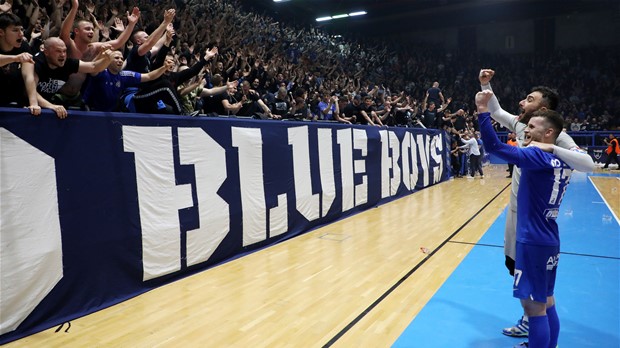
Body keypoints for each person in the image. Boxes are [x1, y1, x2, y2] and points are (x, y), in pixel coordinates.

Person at [478, 69, 595, 341]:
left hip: (532, 222)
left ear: (542, 110)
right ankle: (532, 319)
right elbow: (497, 111)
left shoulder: (555, 138)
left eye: (528, 99)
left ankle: (531, 320)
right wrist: (486, 85)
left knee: (533, 294)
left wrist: (552, 149)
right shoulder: (524, 126)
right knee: (529, 280)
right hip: (532, 217)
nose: (521, 102)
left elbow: (588, 163)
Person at [23, 37, 113, 118]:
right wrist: (52, 106)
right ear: (46, 52)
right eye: (58, 51)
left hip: (43, 108)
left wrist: (107, 58)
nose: (62, 55)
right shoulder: (35, 62)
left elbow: (94, 67)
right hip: (20, 106)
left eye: (64, 51)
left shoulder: (67, 63)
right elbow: (30, 91)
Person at [82, 50, 173, 112]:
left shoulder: (124, 75)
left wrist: (164, 68)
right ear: (108, 61)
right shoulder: (101, 72)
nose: (120, 60)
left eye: (122, 58)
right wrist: (101, 56)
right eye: (116, 58)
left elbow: (149, 76)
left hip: (112, 112)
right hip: (91, 111)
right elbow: (93, 68)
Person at [0, 12, 40, 115]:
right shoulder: (18, 55)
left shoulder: (24, 47)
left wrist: (34, 103)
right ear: (1, 32)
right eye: (15, 30)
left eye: (21, 29)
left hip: (14, 102)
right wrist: (15, 58)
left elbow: (28, 76)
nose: (21, 34)